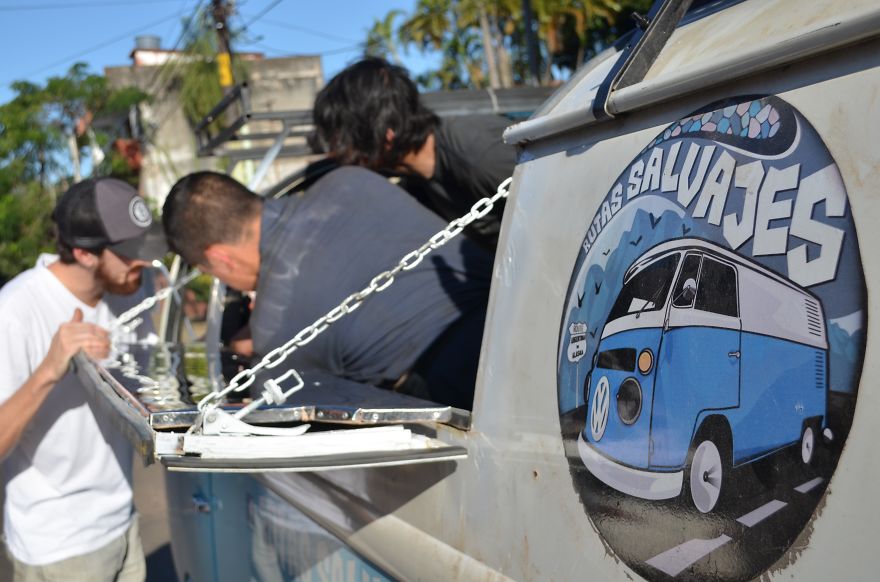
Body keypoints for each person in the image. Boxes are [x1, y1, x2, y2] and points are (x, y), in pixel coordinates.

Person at [162, 167, 493, 409]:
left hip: (468, 392)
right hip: (517, 313)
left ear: (219, 258)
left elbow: (281, 416)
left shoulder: (276, 329)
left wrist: (260, 348)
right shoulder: (348, 179)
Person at [0, 177, 167, 581]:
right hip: (57, 546)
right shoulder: (15, 310)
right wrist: (49, 370)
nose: (143, 263)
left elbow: (148, 394)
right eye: (130, 253)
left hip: (124, 523)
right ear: (83, 254)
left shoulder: (129, 291)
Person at [311, 57, 516, 251]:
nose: (335, 152)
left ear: (385, 131)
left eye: (341, 138)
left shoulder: (480, 153)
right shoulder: (414, 184)